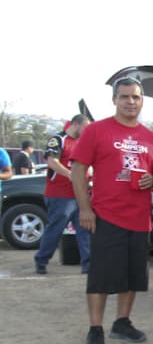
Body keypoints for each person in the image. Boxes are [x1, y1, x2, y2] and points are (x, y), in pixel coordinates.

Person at [70, 77, 153, 344]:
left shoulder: (151, 137)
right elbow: (78, 170)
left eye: (135, 97)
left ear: (142, 101)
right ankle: (95, 329)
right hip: (105, 215)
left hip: (139, 218)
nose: (130, 102)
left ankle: (122, 322)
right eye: (124, 96)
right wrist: (84, 208)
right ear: (114, 99)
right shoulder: (96, 131)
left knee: (133, 275)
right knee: (100, 276)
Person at [34, 115, 92, 275]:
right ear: (76, 124)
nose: (87, 131)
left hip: (81, 194)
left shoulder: (84, 142)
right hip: (60, 194)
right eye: (85, 127)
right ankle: (41, 260)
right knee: (56, 229)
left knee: (85, 229)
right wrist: (70, 174)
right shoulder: (58, 140)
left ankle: (88, 264)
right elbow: (52, 161)